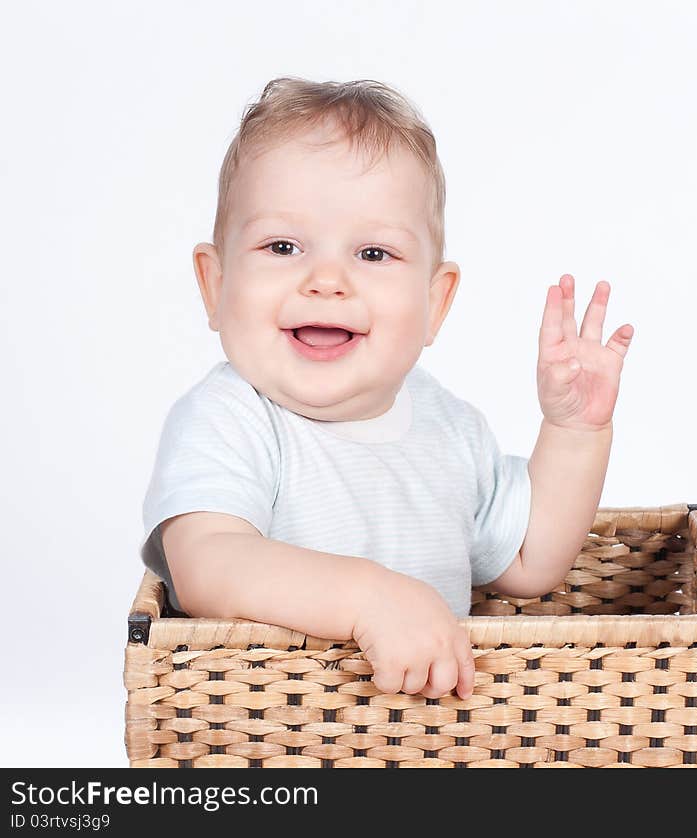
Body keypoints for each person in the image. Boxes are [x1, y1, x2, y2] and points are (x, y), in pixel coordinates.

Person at [140, 76, 634, 702]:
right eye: (282, 245)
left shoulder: (450, 428)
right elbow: (206, 563)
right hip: (274, 733)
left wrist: (574, 430)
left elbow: (530, 562)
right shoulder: (228, 419)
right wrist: (367, 597)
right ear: (215, 285)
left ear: (435, 303)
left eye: (373, 253)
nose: (326, 279)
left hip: (433, 741)